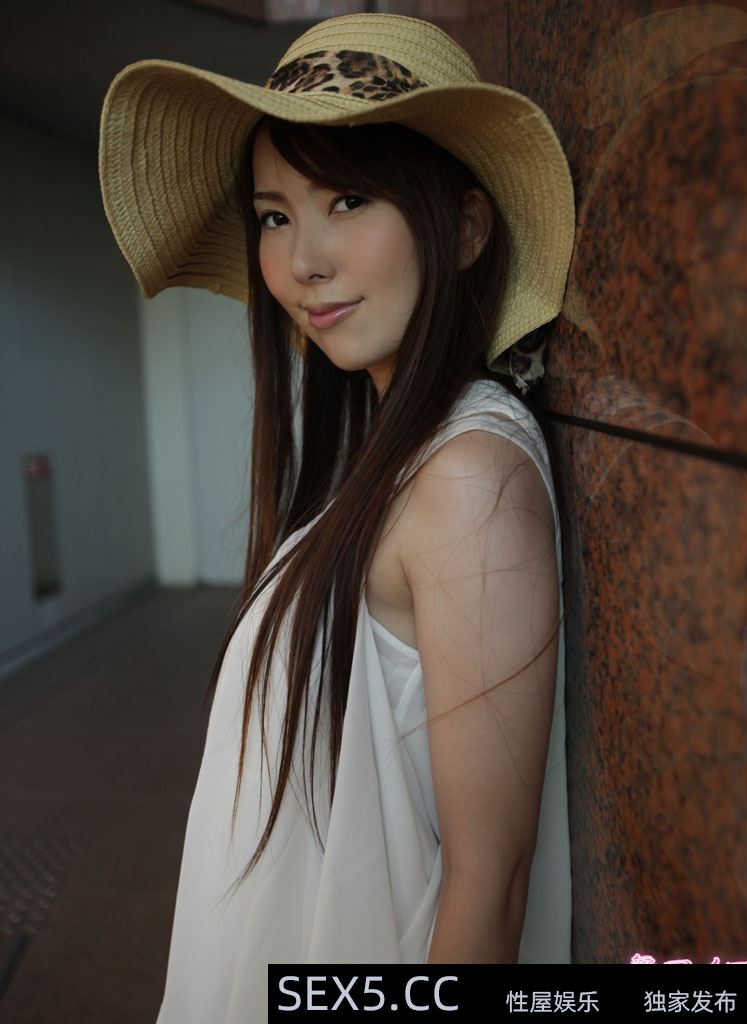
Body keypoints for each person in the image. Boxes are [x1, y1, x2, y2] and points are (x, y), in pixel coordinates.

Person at [98, 11, 575, 1021]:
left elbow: (489, 890)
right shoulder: (391, 455)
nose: (302, 260)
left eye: (347, 199)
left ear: (468, 228)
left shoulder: (469, 479)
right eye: (274, 215)